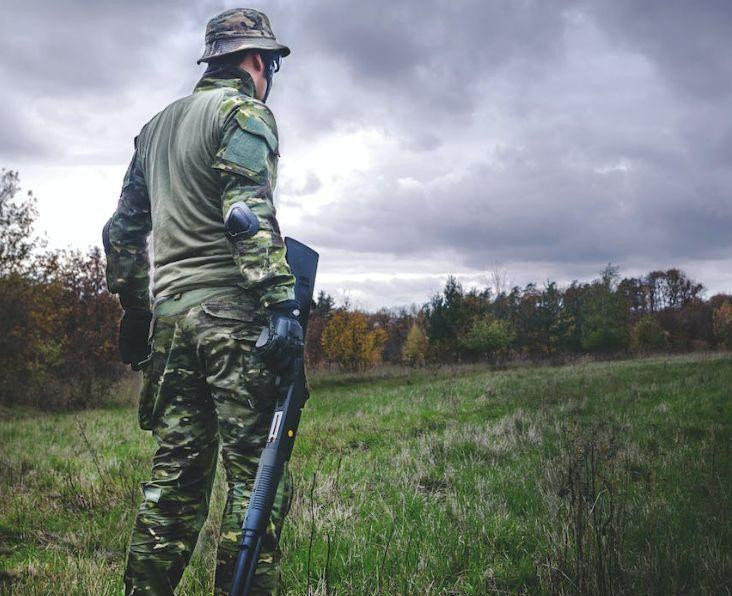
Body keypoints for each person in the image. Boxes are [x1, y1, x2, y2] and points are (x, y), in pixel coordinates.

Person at [102, 8, 301, 595]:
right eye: (269, 66)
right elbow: (246, 212)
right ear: (258, 60)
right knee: (256, 479)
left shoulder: (155, 129)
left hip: (170, 322)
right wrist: (281, 302)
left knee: (174, 484)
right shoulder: (243, 112)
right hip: (233, 320)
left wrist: (137, 310)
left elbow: (122, 232)